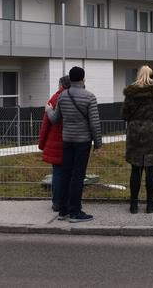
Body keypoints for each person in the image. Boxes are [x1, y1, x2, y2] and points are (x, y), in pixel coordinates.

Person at [46, 66, 102, 222]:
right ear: (83, 79)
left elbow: (55, 119)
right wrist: (98, 144)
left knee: (65, 174)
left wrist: (48, 110)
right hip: (82, 142)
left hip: (67, 140)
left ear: (70, 79)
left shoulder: (63, 96)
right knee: (78, 176)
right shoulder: (90, 97)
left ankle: (63, 211)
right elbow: (94, 123)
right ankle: (75, 212)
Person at [121, 65, 153, 214]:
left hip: (135, 135)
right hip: (152, 135)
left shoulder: (130, 94)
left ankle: (134, 205)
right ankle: (150, 205)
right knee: (151, 170)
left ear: (138, 75)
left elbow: (124, 115)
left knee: (135, 170)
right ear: (152, 75)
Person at [38, 76, 70, 212]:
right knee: (70, 174)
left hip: (54, 142)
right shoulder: (75, 97)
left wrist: (42, 144)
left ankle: (56, 202)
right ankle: (68, 201)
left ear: (61, 85)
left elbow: (46, 124)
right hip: (71, 141)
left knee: (57, 173)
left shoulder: (54, 99)